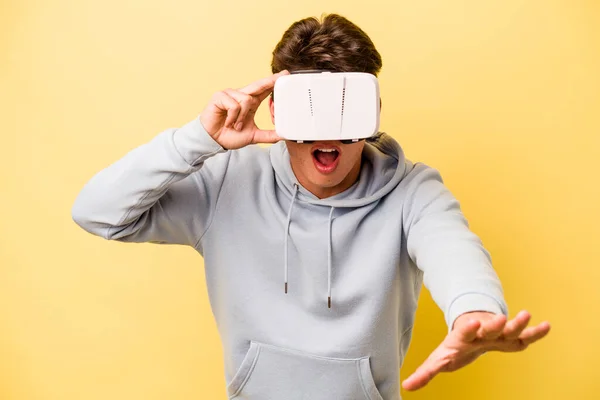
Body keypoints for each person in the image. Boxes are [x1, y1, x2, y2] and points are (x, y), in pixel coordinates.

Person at [72, 13, 550, 400]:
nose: (329, 132)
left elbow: (453, 248)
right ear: (278, 111)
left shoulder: (412, 192)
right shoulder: (226, 184)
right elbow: (97, 211)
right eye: (312, 107)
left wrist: (474, 311)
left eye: (345, 106)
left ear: (374, 113)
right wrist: (198, 140)